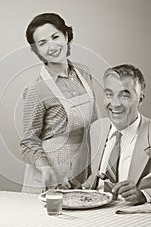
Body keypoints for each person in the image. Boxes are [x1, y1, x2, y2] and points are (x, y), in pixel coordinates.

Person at [82, 64, 151, 206]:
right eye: (109, 94)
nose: (115, 104)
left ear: (140, 99)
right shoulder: (96, 129)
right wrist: (72, 185)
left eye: (125, 95)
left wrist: (144, 195)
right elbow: (92, 182)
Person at [20, 13, 98, 193]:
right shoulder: (35, 89)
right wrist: (46, 168)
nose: (52, 46)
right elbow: (27, 143)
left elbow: (94, 123)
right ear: (36, 50)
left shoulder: (84, 74)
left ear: (67, 36)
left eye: (55, 37)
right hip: (49, 172)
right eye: (42, 43)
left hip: (81, 168)